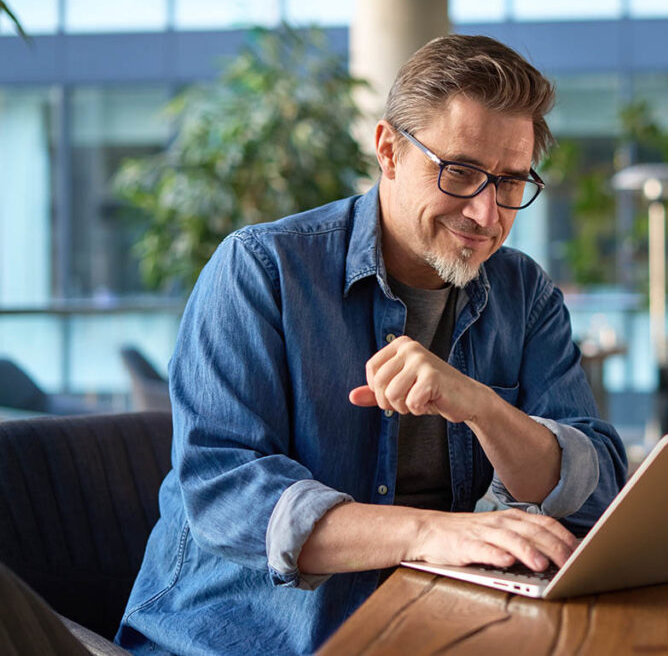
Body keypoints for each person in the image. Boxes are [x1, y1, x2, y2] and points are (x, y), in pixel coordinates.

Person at [115, 34, 627, 655]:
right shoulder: (261, 270)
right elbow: (227, 493)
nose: (487, 214)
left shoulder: (525, 293)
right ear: (388, 150)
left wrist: (484, 409)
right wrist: (432, 534)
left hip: (443, 627)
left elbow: (594, 487)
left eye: (511, 182)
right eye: (460, 173)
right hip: (243, 639)